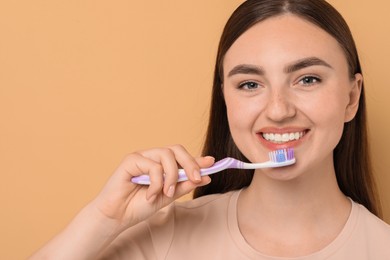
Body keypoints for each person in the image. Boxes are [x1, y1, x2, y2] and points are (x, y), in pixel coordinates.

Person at [29, 0, 390, 259]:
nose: (278, 110)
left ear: (351, 97)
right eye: (250, 84)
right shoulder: (161, 235)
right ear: (226, 99)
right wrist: (102, 219)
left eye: (307, 79)